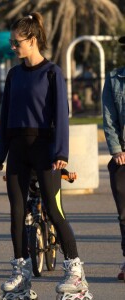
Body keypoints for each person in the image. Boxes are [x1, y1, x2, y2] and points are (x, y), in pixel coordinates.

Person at [0, 12, 90, 298]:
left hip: (45, 149)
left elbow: (62, 114)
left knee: (53, 209)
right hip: (18, 149)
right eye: (11, 42)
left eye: (16, 42)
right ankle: (21, 273)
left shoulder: (52, 72)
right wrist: (1, 154)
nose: (13, 47)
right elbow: (5, 118)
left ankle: (75, 272)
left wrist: (61, 152)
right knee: (17, 213)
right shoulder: (13, 75)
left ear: (32, 40)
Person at [102, 35, 125, 281]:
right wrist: (117, 150)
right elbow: (109, 118)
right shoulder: (114, 79)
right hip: (123, 156)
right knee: (124, 214)